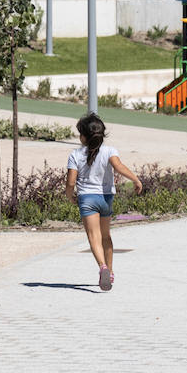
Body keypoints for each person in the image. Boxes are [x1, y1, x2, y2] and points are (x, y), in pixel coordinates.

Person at [65, 112, 142, 291]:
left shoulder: (75, 155)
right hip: (106, 198)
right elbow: (119, 166)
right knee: (106, 236)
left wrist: (70, 196)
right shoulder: (110, 151)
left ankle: (103, 267)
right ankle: (111, 271)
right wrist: (136, 180)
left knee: (94, 237)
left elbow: (70, 182)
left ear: (83, 136)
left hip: (87, 199)